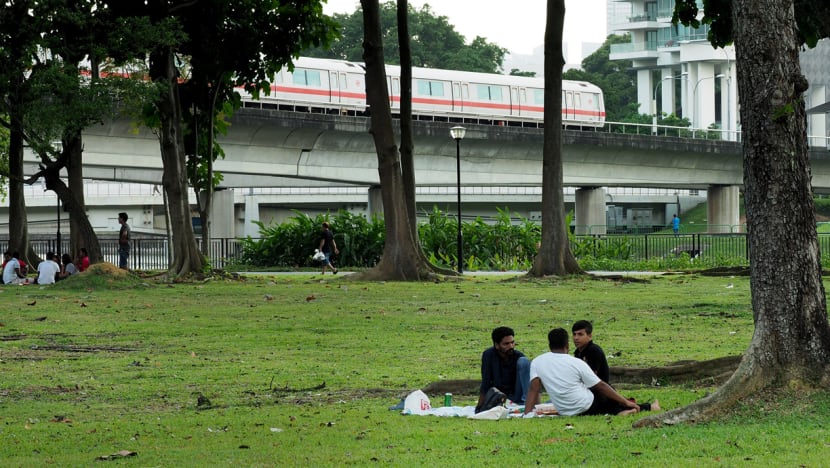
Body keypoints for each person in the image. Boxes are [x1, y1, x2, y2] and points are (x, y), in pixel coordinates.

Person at [524, 328, 641, 417]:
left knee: (605, 397)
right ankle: (626, 409)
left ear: (549, 345)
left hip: (565, 411)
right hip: (586, 406)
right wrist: (625, 402)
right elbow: (600, 386)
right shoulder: (576, 362)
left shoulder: (537, 361)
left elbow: (534, 389)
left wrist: (527, 413)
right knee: (608, 392)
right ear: (567, 345)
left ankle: (629, 408)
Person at [573, 320, 658, 412]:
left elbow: (592, 377)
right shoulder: (578, 352)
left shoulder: (593, 350)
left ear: (589, 336)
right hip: (591, 390)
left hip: (601, 391)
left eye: (580, 334)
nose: (576, 338)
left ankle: (649, 407)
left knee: (615, 407)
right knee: (614, 407)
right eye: (574, 334)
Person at [478, 326, 530, 407]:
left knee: (524, 361)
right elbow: (486, 382)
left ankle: (526, 403)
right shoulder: (489, 355)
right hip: (498, 397)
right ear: (497, 345)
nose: (511, 346)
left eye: (512, 342)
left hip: (516, 395)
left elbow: (529, 383)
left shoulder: (518, 356)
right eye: (506, 344)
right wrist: (479, 406)